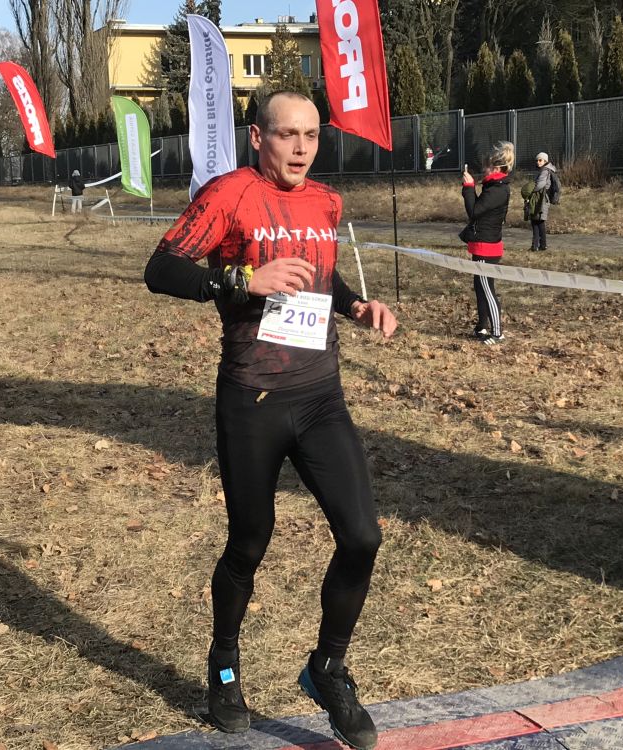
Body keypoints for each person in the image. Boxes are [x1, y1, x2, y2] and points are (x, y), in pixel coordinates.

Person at [144, 90, 396, 750]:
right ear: (259, 138)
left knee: (362, 536)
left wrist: (356, 307)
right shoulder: (231, 194)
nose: (302, 148)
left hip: (319, 396)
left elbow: (321, 279)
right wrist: (238, 281)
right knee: (249, 543)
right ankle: (224, 664)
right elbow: (160, 268)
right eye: (288, 135)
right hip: (252, 399)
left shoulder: (326, 202)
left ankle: (328, 669)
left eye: (311, 135)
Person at [462, 142, 514, 345]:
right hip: (482, 244)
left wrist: (468, 188)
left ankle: (497, 332)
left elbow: (474, 212)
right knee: (480, 287)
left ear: (497, 168)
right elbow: (479, 211)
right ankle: (482, 326)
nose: (484, 169)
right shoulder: (493, 187)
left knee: (487, 289)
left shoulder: (497, 190)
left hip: (487, 248)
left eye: (487, 166)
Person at [527, 152, 557, 252]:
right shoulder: (545, 170)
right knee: (538, 221)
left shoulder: (545, 171)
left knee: (537, 221)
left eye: (540, 160)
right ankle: (540, 245)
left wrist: (530, 190)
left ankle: (537, 245)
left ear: (545, 161)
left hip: (541, 199)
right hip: (541, 199)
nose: (538, 162)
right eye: (537, 160)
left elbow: (540, 185)